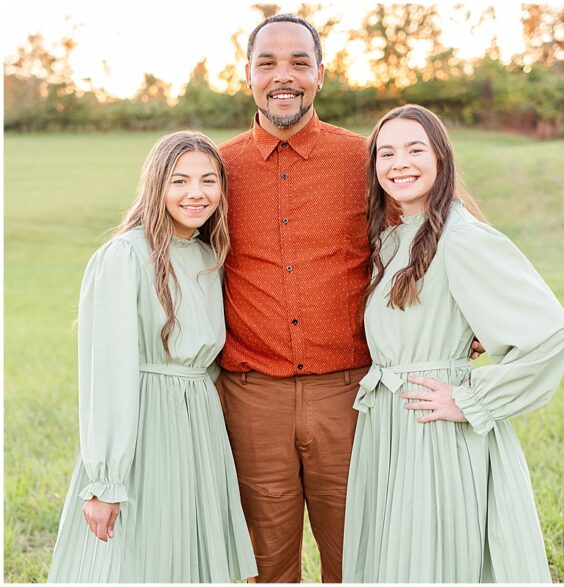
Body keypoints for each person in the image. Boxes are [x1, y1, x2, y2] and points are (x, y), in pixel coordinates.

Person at [341, 104, 564, 582]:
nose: (399, 163)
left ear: (441, 159)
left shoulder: (462, 236)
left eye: (414, 150)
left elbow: (551, 333)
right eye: (386, 153)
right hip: (389, 426)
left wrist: (472, 397)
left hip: (434, 428)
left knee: (432, 561)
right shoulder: (390, 240)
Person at [48, 131, 257, 582]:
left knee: (189, 559)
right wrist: (106, 481)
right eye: (179, 181)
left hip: (199, 429)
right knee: (141, 559)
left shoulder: (207, 256)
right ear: (157, 187)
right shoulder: (124, 256)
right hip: (145, 429)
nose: (196, 194)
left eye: (208, 181)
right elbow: (109, 374)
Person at [215, 14, 368, 583]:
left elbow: (427, 236)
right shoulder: (216, 170)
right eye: (269, 63)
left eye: (300, 63)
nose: (285, 76)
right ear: (248, 75)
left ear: (321, 75)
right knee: (263, 567)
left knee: (357, 559)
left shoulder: (367, 160)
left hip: (349, 396)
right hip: (252, 400)